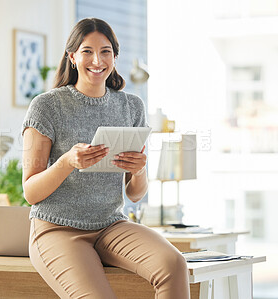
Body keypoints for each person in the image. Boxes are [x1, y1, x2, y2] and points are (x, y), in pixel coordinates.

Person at [21, 17, 189, 299]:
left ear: (114, 57)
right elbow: (30, 191)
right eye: (87, 51)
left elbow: (135, 194)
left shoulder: (131, 106)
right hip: (57, 230)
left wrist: (138, 171)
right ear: (72, 56)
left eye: (106, 51)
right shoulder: (47, 106)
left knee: (174, 265)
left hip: (111, 225)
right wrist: (67, 162)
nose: (97, 60)